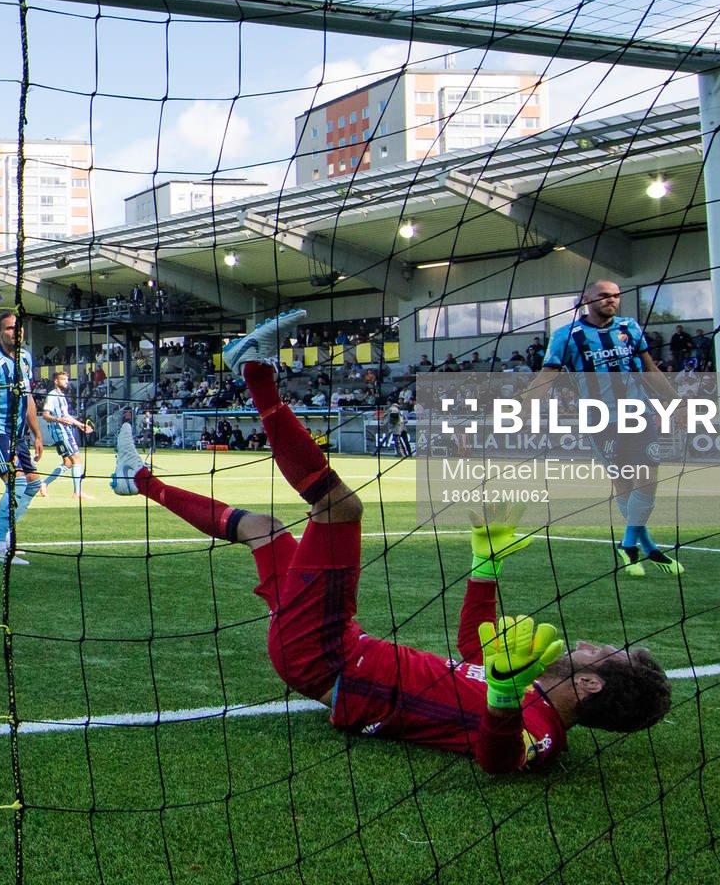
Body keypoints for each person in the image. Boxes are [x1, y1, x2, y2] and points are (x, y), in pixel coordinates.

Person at [109, 308, 670, 772]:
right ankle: (136, 480)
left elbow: (499, 760)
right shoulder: (527, 678)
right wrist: (485, 565)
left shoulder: (541, 727)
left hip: (328, 659)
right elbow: (475, 651)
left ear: (591, 682)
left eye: (598, 652)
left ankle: (255, 369)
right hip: (341, 645)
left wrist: (502, 700)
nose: (586, 643)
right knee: (265, 529)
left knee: (339, 507)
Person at [535, 280, 683, 576]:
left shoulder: (630, 327)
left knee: (648, 478)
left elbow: (650, 369)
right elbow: (547, 375)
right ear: (586, 299)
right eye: (604, 296)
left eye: (615, 295)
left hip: (639, 414)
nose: (611, 300)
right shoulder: (566, 336)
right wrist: (524, 405)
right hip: (601, 420)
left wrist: (676, 402)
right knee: (624, 482)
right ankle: (648, 546)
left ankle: (629, 544)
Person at [0, 311, 46, 565]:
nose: (16, 332)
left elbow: (28, 399)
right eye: (10, 328)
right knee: (18, 484)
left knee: (34, 484)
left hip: (18, 435)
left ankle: (3, 539)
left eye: (19, 328)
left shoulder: (25, 359)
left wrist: (37, 433)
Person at [40, 371, 95, 499]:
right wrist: (59, 420)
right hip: (60, 432)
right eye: (63, 379)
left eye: (67, 379)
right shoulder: (52, 395)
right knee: (76, 458)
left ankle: (44, 483)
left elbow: (67, 416)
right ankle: (77, 493)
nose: (66, 382)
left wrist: (81, 425)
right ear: (56, 381)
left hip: (65, 430)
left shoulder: (62, 396)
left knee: (68, 463)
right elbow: (45, 415)